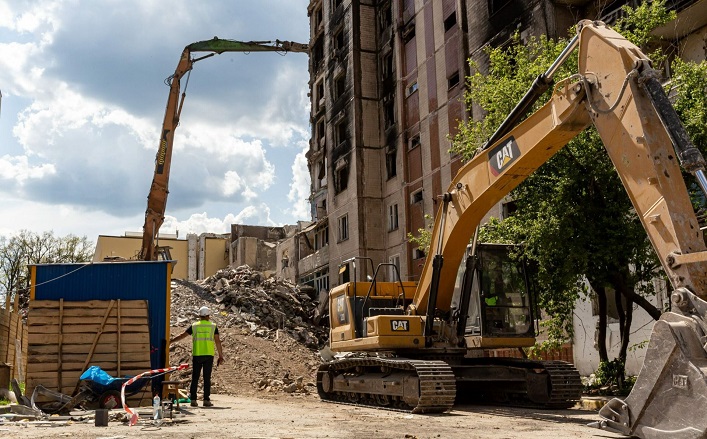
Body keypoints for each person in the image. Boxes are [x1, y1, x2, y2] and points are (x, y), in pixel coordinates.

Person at [170, 306, 225, 407]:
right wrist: (220, 355)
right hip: (208, 355)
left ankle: (193, 400)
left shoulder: (194, 326)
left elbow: (183, 335)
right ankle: (206, 400)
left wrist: (171, 341)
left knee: (195, 377)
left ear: (199, 315)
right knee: (206, 377)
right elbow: (217, 341)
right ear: (208, 315)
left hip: (197, 354)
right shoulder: (213, 326)